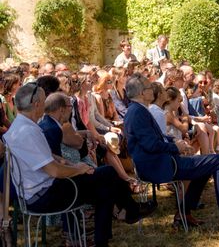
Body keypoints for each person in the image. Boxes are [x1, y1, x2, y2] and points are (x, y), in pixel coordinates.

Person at [4, 83, 155, 247]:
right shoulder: (27, 131)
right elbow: (54, 171)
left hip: (37, 192)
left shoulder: (19, 127)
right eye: (43, 100)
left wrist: (62, 160)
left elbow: (39, 156)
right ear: (37, 104)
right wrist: (78, 169)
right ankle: (129, 211)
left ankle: (116, 225)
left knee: (105, 187)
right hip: (44, 195)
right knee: (108, 174)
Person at [124, 73, 219, 229]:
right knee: (218, 161)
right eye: (148, 87)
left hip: (159, 162)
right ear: (141, 93)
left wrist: (174, 141)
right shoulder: (138, 112)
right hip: (158, 166)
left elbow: (154, 140)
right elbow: (151, 145)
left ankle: (183, 214)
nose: (152, 90)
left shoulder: (137, 109)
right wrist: (176, 147)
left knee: (208, 164)